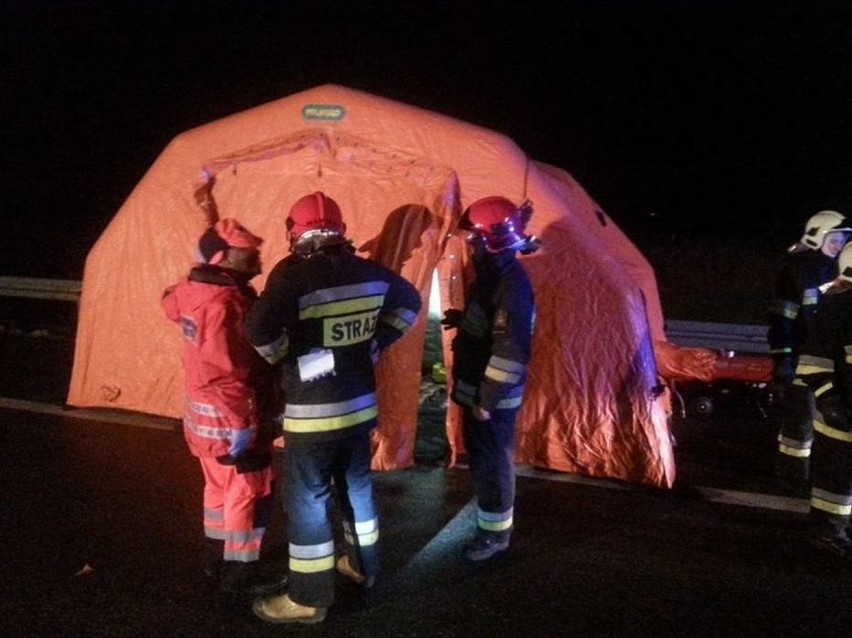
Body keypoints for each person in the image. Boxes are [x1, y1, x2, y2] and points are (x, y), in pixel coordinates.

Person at [245, 191, 422, 624]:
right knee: (356, 490)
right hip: (358, 409)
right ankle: (364, 568)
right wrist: (376, 342)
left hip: (312, 415)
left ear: (295, 231)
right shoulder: (371, 272)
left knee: (307, 502)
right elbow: (410, 303)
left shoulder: (292, 277)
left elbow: (258, 328)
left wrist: (285, 355)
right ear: (340, 230)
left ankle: (307, 598)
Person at [161, 218, 287, 595]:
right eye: (246, 251)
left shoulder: (192, 289)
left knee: (218, 490)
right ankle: (241, 572)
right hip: (231, 418)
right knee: (249, 491)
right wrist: (246, 422)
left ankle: (216, 558)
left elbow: (169, 303)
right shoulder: (223, 304)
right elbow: (227, 373)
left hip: (204, 419)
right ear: (220, 257)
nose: (255, 254)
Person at [442, 195, 540, 562]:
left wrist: (487, 398)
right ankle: (490, 524)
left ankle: (495, 535)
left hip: (492, 399)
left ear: (489, 240)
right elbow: (489, 329)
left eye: (473, 238)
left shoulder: (510, 283)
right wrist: (463, 322)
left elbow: (511, 351)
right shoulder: (494, 274)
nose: (469, 244)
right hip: (480, 391)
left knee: (493, 464)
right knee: (484, 461)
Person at [769, 210, 851, 493]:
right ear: (815, 237)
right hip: (802, 358)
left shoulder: (841, 271)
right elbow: (782, 317)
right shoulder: (798, 270)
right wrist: (783, 358)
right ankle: (791, 477)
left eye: (844, 239)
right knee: (799, 426)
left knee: (828, 423)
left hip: (830, 361)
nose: (840, 245)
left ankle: (816, 474)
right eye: (835, 239)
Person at [795, 242, 852, 557]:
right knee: (834, 483)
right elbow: (814, 362)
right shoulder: (839, 307)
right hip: (840, 418)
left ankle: (841, 530)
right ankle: (825, 533)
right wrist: (830, 403)